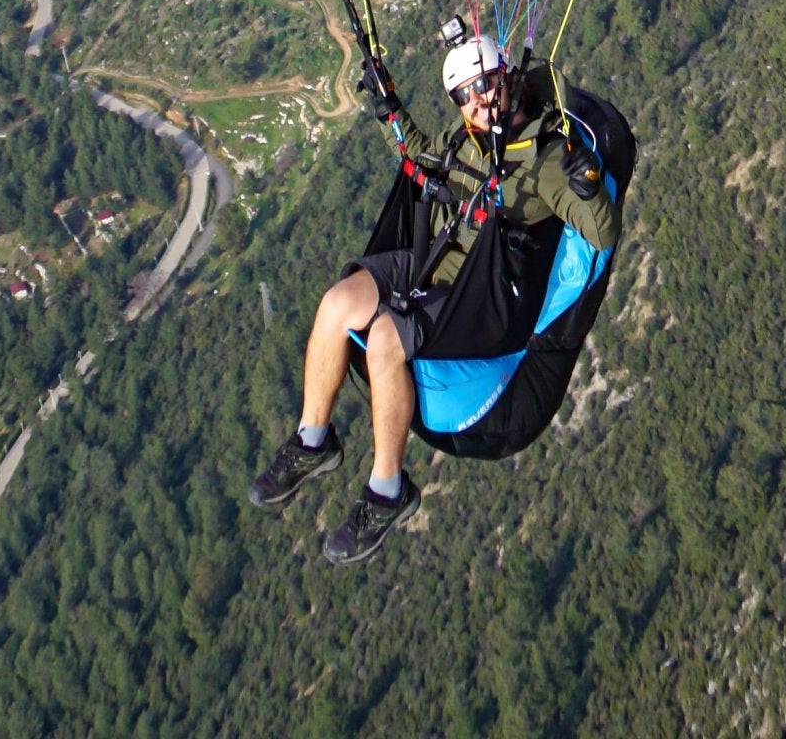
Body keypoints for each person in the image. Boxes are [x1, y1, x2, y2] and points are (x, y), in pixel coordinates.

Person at [247, 34, 625, 563]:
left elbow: (602, 234)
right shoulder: (467, 137)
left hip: (484, 291)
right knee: (337, 303)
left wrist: (586, 185)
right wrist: (391, 108)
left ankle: (388, 491)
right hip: (435, 259)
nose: (477, 101)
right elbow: (425, 157)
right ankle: (314, 441)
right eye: (464, 95)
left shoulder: (546, 160)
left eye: (483, 85)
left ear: (507, 79)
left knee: (385, 338)